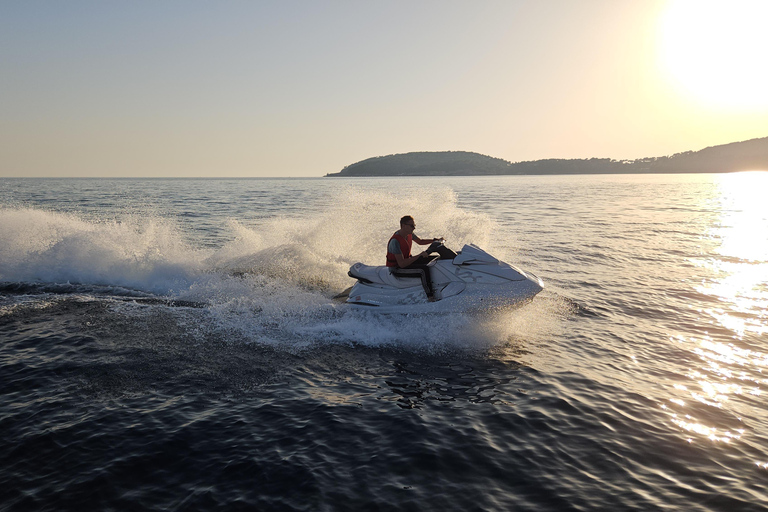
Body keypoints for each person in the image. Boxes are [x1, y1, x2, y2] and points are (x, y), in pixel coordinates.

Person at [385, 215, 444, 301]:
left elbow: (420, 241)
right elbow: (402, 264)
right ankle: (430, 297)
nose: (414, 228)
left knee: (435, 258)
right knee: (423, 270)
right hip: (396, 268)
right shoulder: (395, 241)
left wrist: (434, 241)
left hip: (407, 262)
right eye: (412, 226)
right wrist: (419, 255)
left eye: (414, 226)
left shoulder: (409, 234)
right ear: (404, 226)